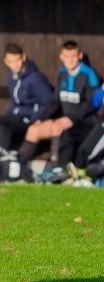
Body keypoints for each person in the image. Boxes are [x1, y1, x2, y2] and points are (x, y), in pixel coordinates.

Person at [17, 40, 100, 183]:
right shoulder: (62, 73)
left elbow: (92, 104)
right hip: (65, 119)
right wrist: (40, 118)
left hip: (83, 122)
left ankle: (57, 171)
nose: (70, 60)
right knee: (34, 129)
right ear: (61, 57)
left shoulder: (89, 74)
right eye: (67, 56)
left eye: (73, 56)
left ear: (80, 56)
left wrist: (72, 118)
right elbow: (55, 101)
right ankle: (18, 169)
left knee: (58, 127)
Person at [0, 43, 52, 151]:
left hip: (28, 118)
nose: (14, 65)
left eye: (17, 60)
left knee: (5, 129)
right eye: (10, 61)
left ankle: (1, 157)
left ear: (23, 57)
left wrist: (37, 117)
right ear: (5, 61)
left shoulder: (35, 78)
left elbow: (47, 101)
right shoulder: (12, 76)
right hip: (13, 115)